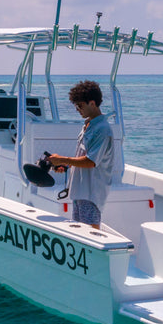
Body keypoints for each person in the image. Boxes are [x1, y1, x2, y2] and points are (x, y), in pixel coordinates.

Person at [47, 80, 115, 229]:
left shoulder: (102, 129)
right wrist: (65, 165)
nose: (77, 109)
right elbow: (83, 157)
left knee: (90, 233)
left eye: (80, 105)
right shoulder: (88, 125)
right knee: (80, 232)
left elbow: (91, 161)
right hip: (79, 191)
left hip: (91, 193)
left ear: (92, 103)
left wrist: (62, 159)